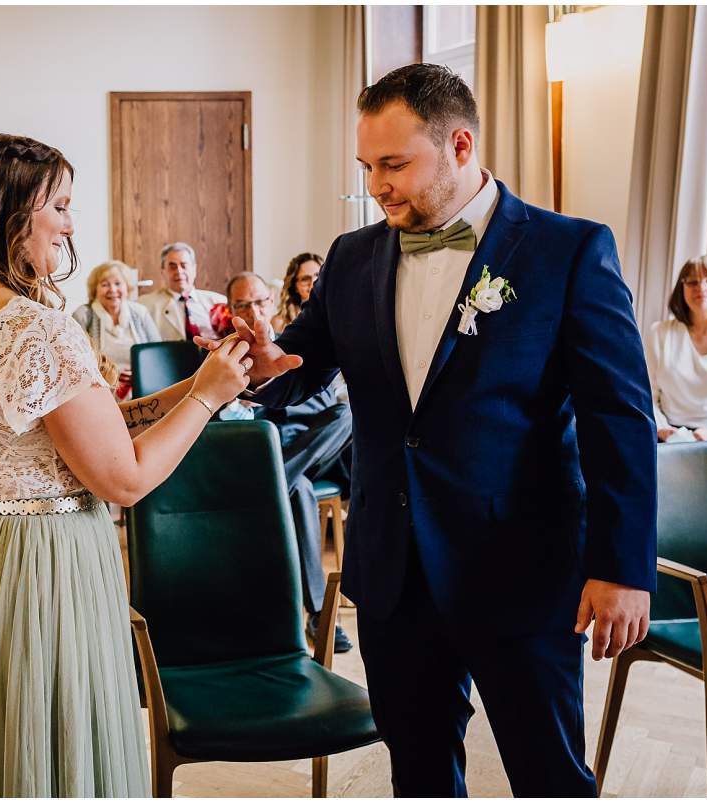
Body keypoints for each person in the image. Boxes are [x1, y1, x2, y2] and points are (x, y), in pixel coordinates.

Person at [197, 64, 656, 796]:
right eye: (366, 166)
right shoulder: (351, 257)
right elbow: (306, 362)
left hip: (519, 568)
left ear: (461, 146)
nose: (376, 185)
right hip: (393, 571)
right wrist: (264, 365)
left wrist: (623, 565)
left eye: (393, 164)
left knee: (549, 775)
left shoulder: (567, 251)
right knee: (418, 775)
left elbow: (619, 417)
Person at [0, 133, 251, 797]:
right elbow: (122, 478)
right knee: (49, 755)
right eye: (61, 206)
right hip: (44, 565)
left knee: (4, 760)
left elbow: (90, 429)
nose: (72, 223)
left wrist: (207, 379)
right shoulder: (35, 327)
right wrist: (208, 400)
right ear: (14, 213)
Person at [219, 272, 354, 653]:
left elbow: (327, 399)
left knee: (347, 416)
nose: (253, 309)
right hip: (269, 450)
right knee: (298, 489)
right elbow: (218, 415)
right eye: (243, 304)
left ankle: (275, 484)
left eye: (259, 301)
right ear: (231, 311)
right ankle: (316, 613)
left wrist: (282, 391)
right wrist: (238, 400)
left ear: (271, 301)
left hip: (317, 447)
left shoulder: (297, 341)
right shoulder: (225, 353)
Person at [646, 254, 707, 456]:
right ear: (681, 289)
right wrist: (663, 429)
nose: (701, 288)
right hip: (665, 436)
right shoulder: (659, 333)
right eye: (692, 281)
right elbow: (646, 394)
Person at [71, 260, 160, 399]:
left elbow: (157, 354)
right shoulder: (83, 315)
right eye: (105, 284)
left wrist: (141, 372)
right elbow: (75, 361)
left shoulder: (140, 312)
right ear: (95, 289)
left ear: (127, 287)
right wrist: (110, 375)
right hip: (99, 393)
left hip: (142, 391)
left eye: (118, 283)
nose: (112, 290)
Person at [137, 241, 226, 342]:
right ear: (163, 271)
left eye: (184, 265)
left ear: (194, 269)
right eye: (172, 266)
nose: (179, 271)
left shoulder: (219, 301)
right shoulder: (144, 305)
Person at [272, 252, 324, 333]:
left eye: (318, 275)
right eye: (305, 279)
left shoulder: (334, 316)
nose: (313, 283)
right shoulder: (280, 322)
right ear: (294, 286)